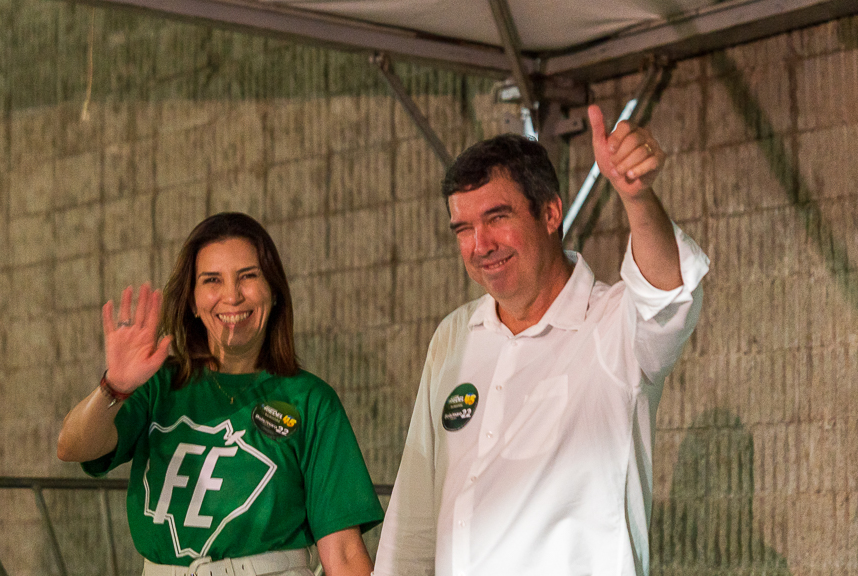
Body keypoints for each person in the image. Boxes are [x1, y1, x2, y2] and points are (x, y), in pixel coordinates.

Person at [373, 105, 710, 576]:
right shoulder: (454, 335)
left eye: (496, 217)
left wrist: (637, 198)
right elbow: (413, 517)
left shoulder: (612, 326)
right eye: (463, 229)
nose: (479, 245)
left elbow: (666, 294)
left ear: (551, 212)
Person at [58, 212, 383, 576]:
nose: (232, 296)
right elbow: (73, 447)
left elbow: (341, 551)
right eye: (212, 280)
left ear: (273, 291)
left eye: (248, 276)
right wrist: (114, 386)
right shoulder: (160, 385)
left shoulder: (310, 400)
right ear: (193, 302)